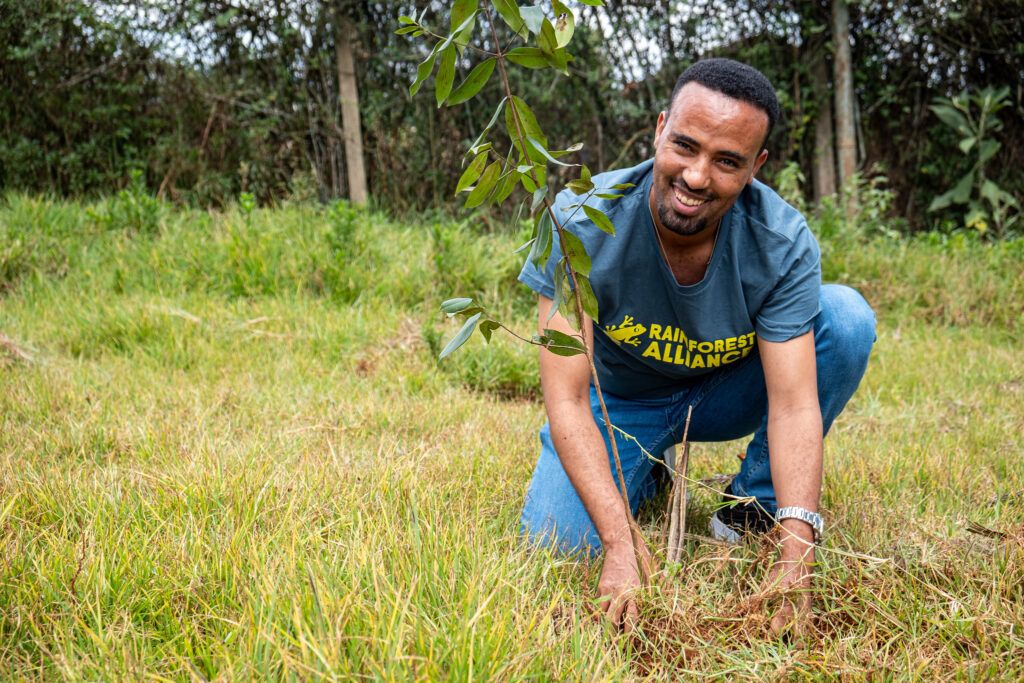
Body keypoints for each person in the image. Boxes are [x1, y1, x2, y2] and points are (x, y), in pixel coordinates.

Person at [517, 58, 876, 632]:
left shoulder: (781, 243)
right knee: (555, 541)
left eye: (727, 161)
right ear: (659, 129)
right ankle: (645, 468)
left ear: (756, 167)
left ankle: (751, 504)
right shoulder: (580, 221)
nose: (697, 176)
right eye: (684, 146)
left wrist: (796, 558)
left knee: (846, 318)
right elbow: (567, 399)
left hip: (721, 392)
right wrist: (620, 543)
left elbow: (792, 404)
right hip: (623, 405)